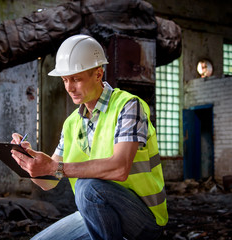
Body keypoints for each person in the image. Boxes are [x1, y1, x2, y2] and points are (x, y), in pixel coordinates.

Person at [11, 34, 168, 240]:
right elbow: (50, 182)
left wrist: (54, 167)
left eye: (76, 79)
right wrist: (31, 163)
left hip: (143, 218)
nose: (69, 87)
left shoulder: (128, 106)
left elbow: (120, 168)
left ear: (98, 74)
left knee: (88, 187)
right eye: (65, 80)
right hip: (98, 211)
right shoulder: (71, 123)